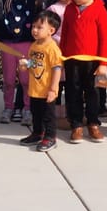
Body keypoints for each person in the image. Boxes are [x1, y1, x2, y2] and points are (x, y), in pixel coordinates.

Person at [60, 0, 107, 143]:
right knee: (72, 92)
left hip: (93, 62)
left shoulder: (100, 10)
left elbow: (105, 39)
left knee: (93, 93)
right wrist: (62, 56)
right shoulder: (69, 9)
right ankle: (76, 125)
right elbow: (65, 33)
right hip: (72, 61)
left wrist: (103, 63)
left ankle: (93, 124)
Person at [18, 10, 64, 152]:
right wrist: (25, 65)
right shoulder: (34, 45)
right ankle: (38, 133)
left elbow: (57, 69)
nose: (35, 30)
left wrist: (53, 89)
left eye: (39, 27)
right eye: (33, 27)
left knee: (48, 116)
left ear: (51, 30)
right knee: (36, 113)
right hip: (35, 89)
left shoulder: (52, 48)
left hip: (47, 90)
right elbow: (34, 63)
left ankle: (50, 137)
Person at [0, 0, 35, 125]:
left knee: (26, 79)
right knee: (9, 80)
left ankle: (27, 108)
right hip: (7, 44)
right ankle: (8, 108)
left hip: (27, 44)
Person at [47, 0, 73, 130]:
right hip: (55, 54)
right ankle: (54, 115)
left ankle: (71, 114)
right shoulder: (53, 8)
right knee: (56, 84)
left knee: (71, 86)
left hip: (72, 53)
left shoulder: (77, 7)